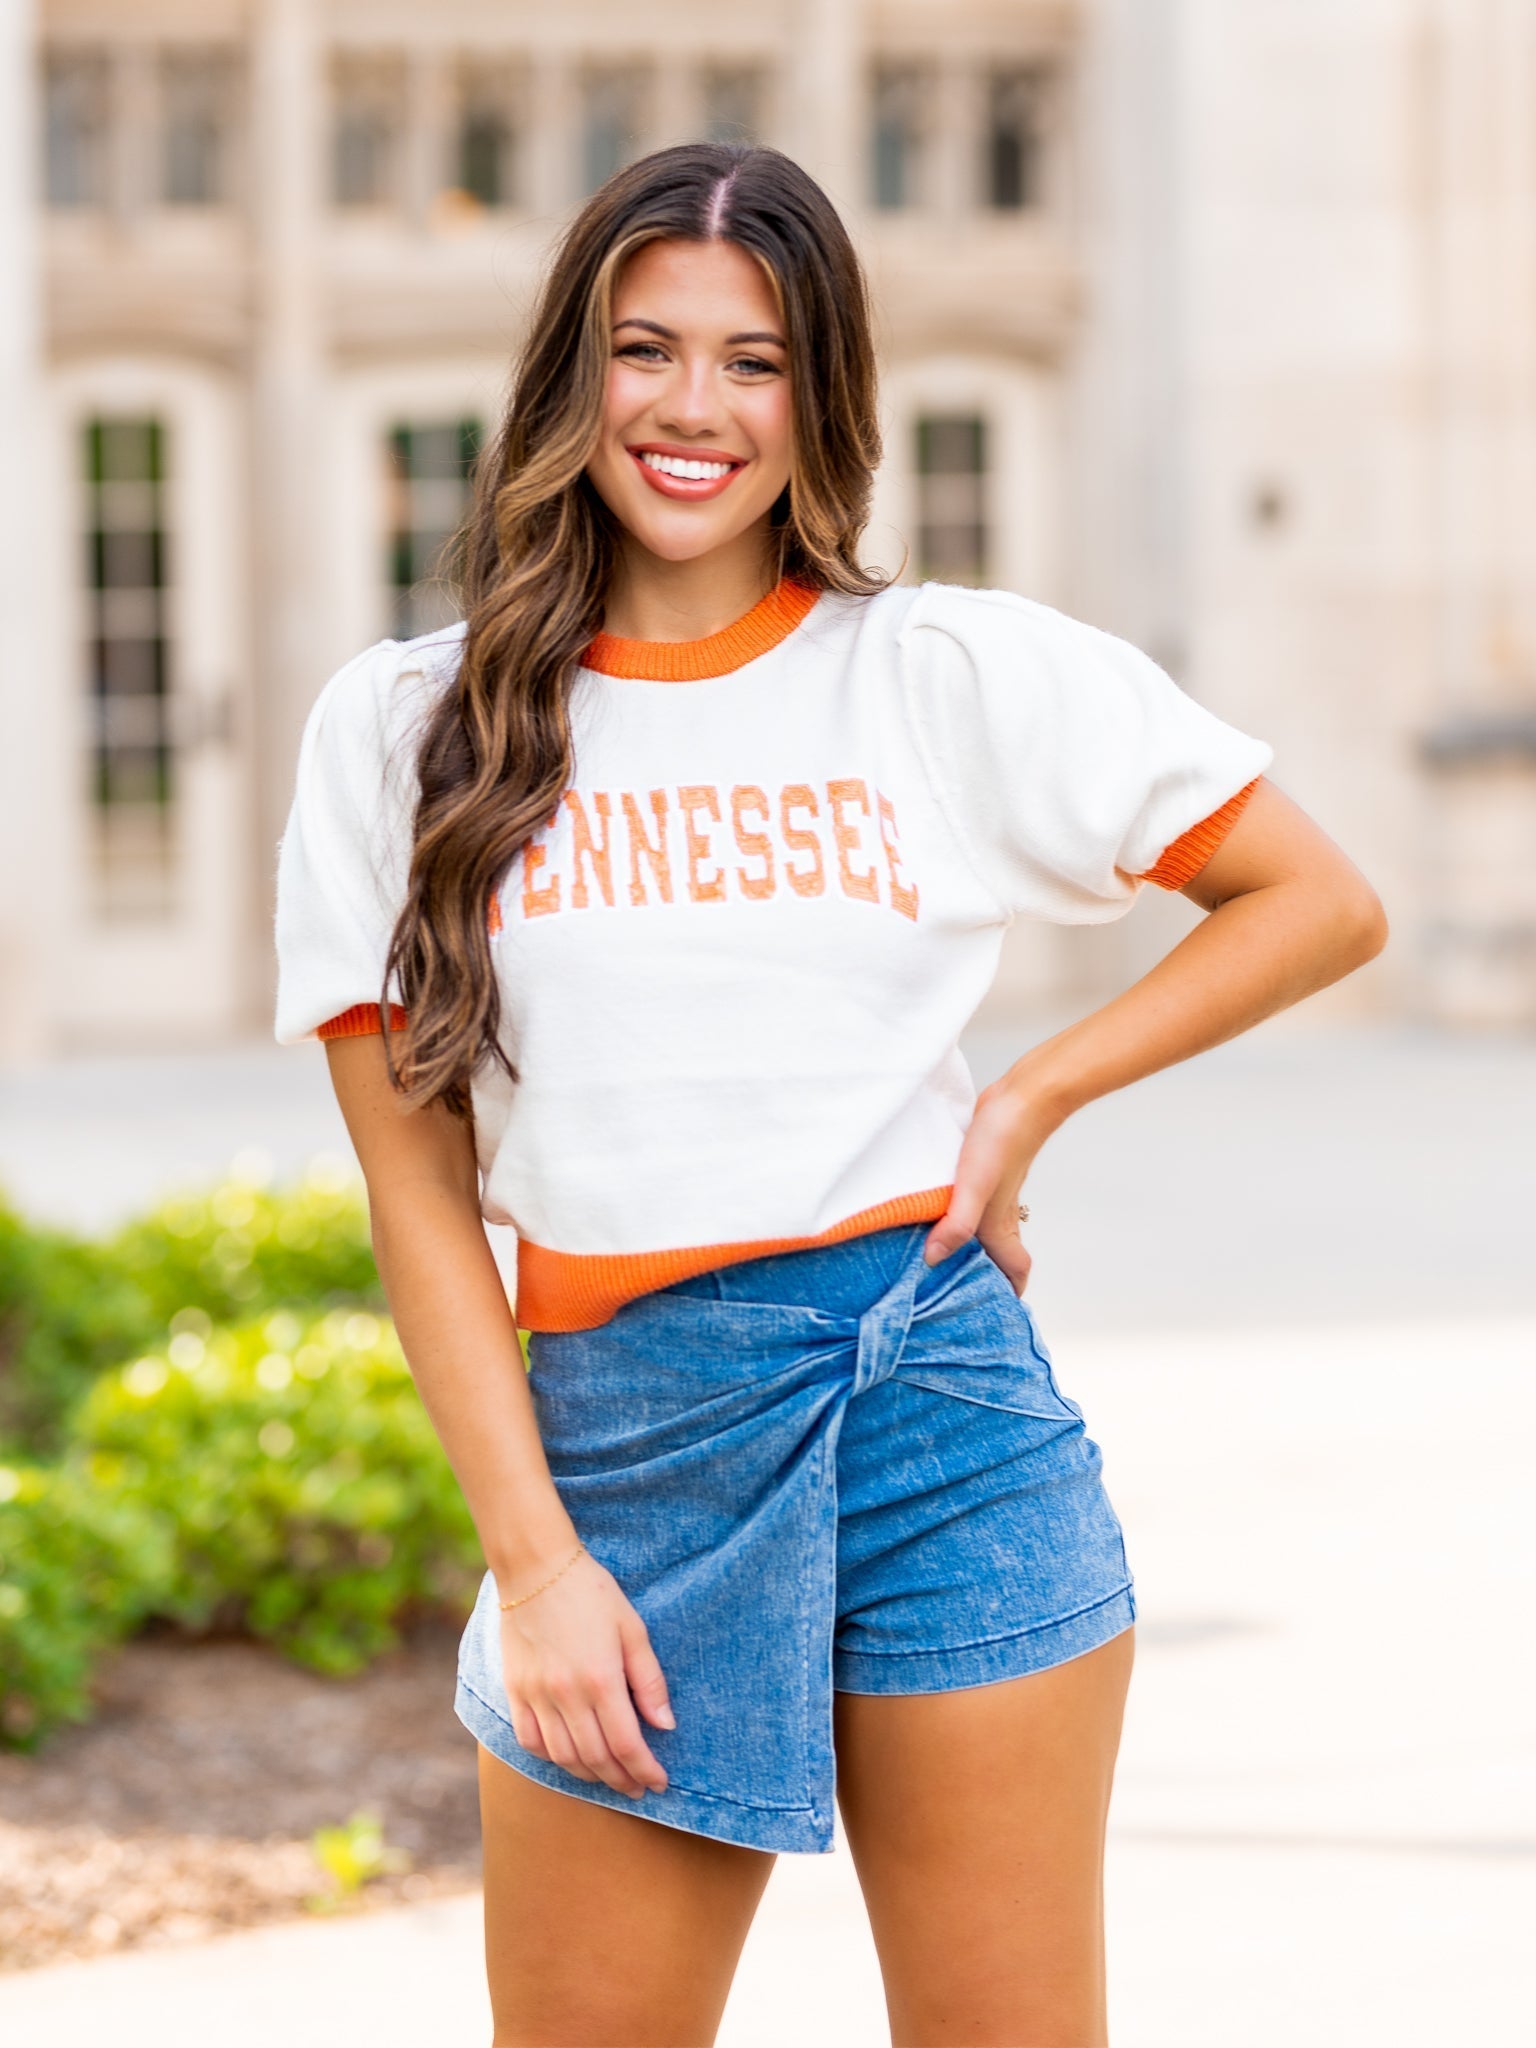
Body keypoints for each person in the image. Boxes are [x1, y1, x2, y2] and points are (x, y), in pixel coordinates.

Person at [274, 143, 1385, 2048]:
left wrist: (1033, 1092)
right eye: (648, 349)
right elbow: (417, 1200)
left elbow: (1318, 898)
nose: (694, 408)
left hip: (936, 1420)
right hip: (626, 1463)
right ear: (572, 377)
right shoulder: (404, 730)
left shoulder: (941, 674)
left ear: (822, 397)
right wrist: (537, 1568)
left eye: (756, 361)